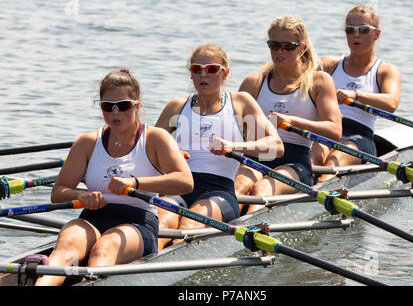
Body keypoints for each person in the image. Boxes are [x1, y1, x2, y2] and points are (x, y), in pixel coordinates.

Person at [35, 69, 194, 286]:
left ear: (137, 106)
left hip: (138, 223)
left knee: (104, 249)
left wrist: (136, 183)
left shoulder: (156, 138)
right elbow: (58, 192)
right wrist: (82, 194)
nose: (115, 112)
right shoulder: (87, 143)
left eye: (123, 105)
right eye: (107, 106)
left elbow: (185, 182)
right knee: (66, 247)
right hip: (92, 219)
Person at [155, 44, 284, 249]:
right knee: (161, 225)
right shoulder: (176, 107)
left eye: (212, 69)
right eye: (197, 69)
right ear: (191, 74)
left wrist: (233, 147)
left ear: (225, 74)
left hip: (218, 192)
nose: (203, 75)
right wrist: (170, 154)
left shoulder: (240, 102)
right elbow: (148, 153)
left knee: (189, 224)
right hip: (177, 187)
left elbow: (275, 146)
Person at [234, 16, 342, 213]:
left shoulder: (318, 81)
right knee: (239, 187)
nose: (279, 51)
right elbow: (235, 129)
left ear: (301, 48)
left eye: (286, 46)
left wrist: (293, 122)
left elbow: (335, 130)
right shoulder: (253, 83)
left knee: (262, 188)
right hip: (257, 156)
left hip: (295, 161)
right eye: (274, 45)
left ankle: (248, 233)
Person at [313, 5, 401, 181]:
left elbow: (391, 103)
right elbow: (299, 87)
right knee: (310, 163)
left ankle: (320, 191)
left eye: (363, 30)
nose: (356, 35)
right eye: (350, 30)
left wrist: (355, 95)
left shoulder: (385, 70)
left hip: (358, 136)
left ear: (377, 34)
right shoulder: (329, 64)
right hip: (325, 130)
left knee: (331, 165)